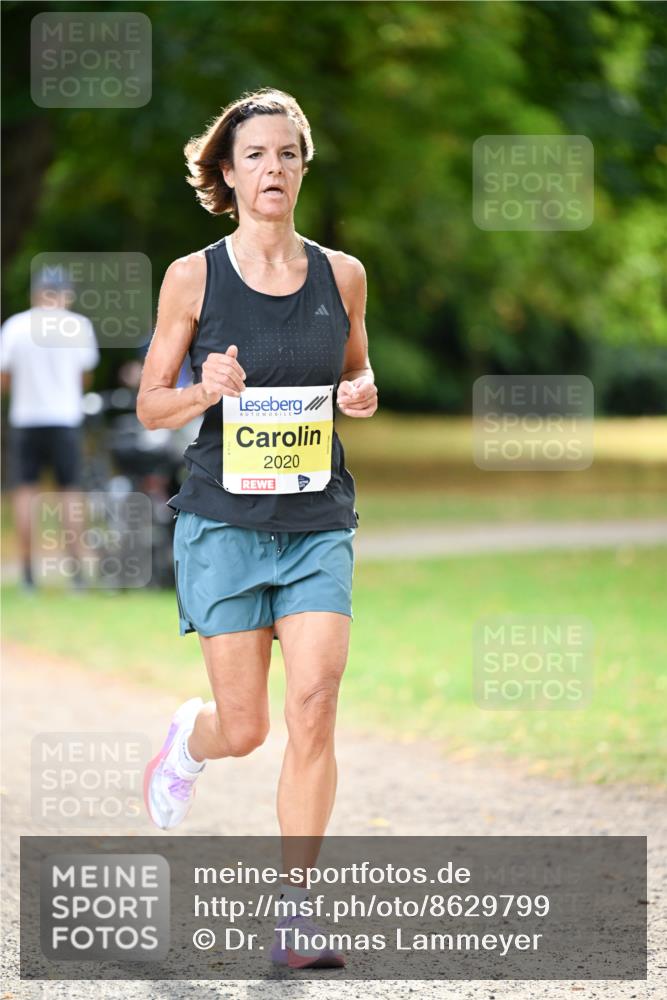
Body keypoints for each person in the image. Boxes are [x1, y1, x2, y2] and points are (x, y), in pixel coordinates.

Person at [138, 88, 378, 969]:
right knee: (246, 728)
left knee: (313, 704)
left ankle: (295, 916)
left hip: (316, 518)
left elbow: (354, 372)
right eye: (255, 156)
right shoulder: (192, 277)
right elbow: (152, 405)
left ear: (302, 167)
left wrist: (362, 392)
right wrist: (207, 387)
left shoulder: (342, 274)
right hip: (224, 523)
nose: (271, 168)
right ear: (227, 175)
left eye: (286, 153)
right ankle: (187, 742)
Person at [0, 267, 100, 589]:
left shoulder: (15, 326)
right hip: (65, 419)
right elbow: (84, 377)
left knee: (26, 492)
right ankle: (77, 573)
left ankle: (29, 574)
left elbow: (4, 378)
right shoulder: (78, 326)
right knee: (69, 492)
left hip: (26, 419)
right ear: (65, 294)